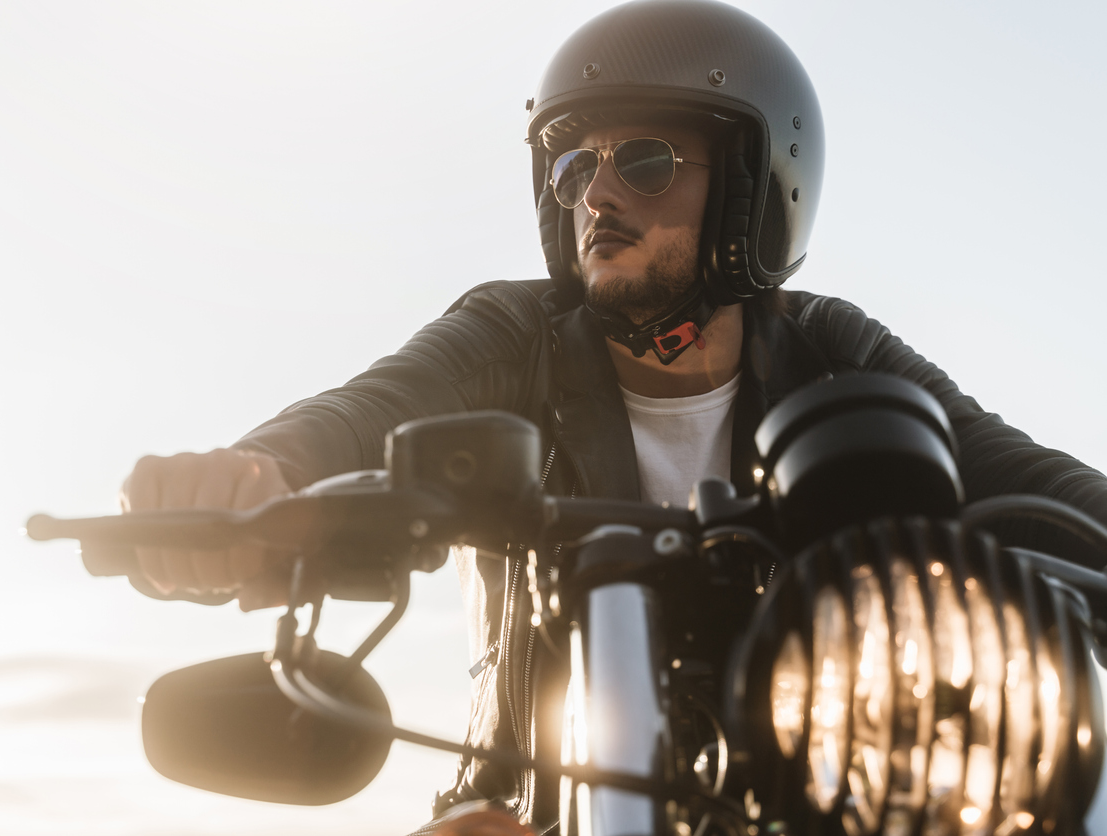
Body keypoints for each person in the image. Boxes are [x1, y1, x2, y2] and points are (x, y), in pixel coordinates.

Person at [111, 1, 1107, 832]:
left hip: (816, 791)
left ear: (751, 194)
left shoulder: (833, 352)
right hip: (540, 798)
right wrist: (252, 476)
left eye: (641, 160)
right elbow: (367, 412)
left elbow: (1019, 475)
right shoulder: (512, 333)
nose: (596, 194)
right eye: (572, 168)